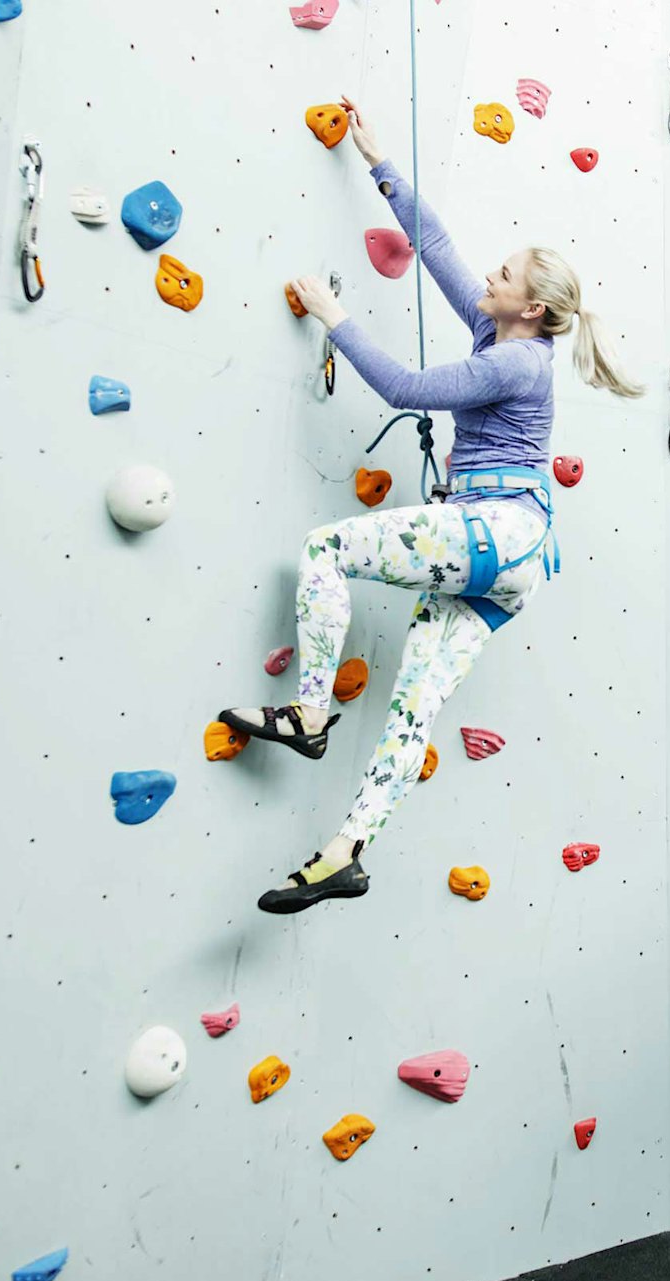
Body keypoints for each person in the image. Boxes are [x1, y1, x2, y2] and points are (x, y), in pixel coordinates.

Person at [220, 97, 645, 914]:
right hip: (513, 562)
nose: (490, 278)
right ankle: (344, 856)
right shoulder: (502, 336)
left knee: (326, 551)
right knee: (410, 711)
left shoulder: (514, 365)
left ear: (531, 309)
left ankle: (309, 713)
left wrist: (334, 316)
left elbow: (406, 388)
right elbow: (439, 247)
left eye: (505, 276)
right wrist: (377, 160)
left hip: (497, 529)